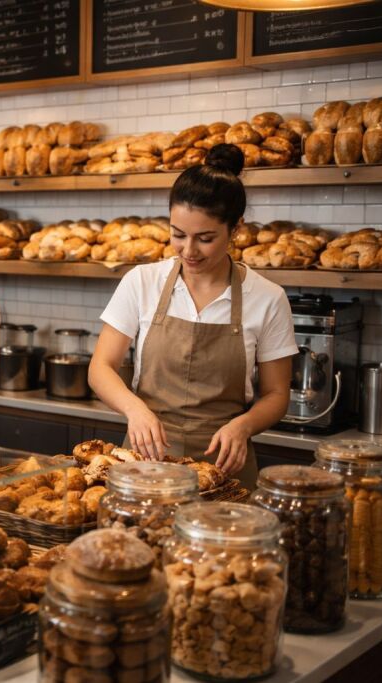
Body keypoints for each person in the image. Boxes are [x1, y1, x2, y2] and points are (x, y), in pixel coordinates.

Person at [88, 144, 297, 488]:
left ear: (236, 228)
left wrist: (243, 426)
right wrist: (134, 410)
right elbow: (100, 368)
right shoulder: (142, 282)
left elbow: (277, 394)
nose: (189, 250)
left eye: (205, 238)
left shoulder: (268, 298)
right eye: (178, 235)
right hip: (145, 462)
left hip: (224, 468)